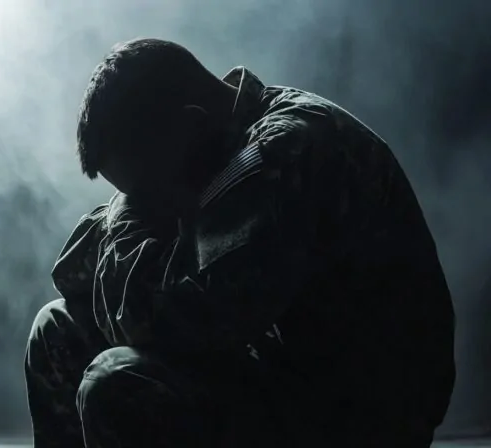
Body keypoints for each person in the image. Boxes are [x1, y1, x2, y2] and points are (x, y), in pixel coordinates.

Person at [24, 38, 456, 447]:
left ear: (193, 123)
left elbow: (166, 323)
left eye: (147, 190)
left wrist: (123, 216)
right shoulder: (209, 143)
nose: (149, 205)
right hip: (279, 374)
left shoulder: (277, 152)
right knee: (58, 328)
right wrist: (135, 208)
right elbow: (73, 272)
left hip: (358, 416)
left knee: (117, 381)